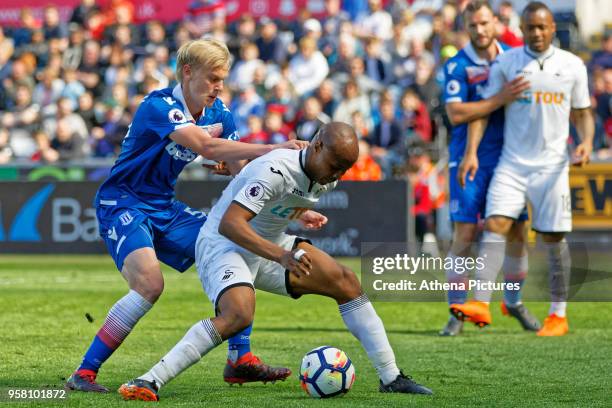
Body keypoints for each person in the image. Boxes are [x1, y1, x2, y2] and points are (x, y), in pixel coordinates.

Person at [118, 122, 433, 401]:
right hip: (223, 244)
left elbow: (282, 200)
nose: (338, 174)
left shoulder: (325, 173)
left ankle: (391, 377)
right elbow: (231, 223)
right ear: (317, 146)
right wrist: (282, 256)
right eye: (336, 164)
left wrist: (300, 213)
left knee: (346, 282)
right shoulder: (276, 170)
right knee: (238, 314)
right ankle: (150, 379)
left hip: (266, 243)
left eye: (345, 169)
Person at [65, 39, 307, 393]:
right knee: (150, 284)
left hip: (165, 205)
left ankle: (239, 359)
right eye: (213, 78)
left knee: (234, 245)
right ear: (188, 72)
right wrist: (273, 146)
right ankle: (83, 375)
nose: (219, 86)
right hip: (122, 203)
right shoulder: (158, 104)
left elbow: (244, 172)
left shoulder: (219, 113)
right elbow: (207, 147)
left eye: (222, 79)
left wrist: (296, 208)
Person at [451, 2, 595, 337]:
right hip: (512, 163)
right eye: (531, 28)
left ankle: (558, 314)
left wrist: (585, 141)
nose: (537, 33)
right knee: (495, 224)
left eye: (543, 28)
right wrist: (471, 152)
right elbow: (484, 112)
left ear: (552, 29)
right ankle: (480, 302)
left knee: (552, 237)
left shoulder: (572, 66)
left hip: (552, 166)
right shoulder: (507, 62)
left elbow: (584, 111)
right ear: (522, 28)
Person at [440, 0, 540, 336]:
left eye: (485, 24)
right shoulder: (457, 65)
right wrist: (500, 98)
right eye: (473, 26)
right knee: (465, 234)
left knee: (517, 234)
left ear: (496, 22)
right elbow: (456, 114)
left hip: (511, 158)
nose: (480, 31)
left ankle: (512, 301)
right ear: (465, 28)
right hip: (468, 160)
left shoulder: (514, 55)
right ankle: (457, 310)